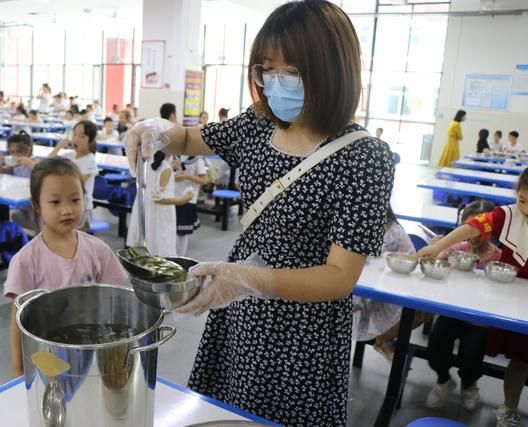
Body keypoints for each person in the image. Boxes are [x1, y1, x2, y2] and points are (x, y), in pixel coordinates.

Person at [123, 1, 395, 424]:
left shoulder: (365, 157)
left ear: (335, 70)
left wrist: (251, 279)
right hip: (242, 306)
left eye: (293, 71)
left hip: (303, 331)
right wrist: (158, 132)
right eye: (267, 69)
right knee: (230, 411)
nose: (276, 84)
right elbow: (194, 138)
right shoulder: (261, 123)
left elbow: (340, 278)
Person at [418, 169, 528, 427]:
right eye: (523, 200)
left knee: (522, 360)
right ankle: (506, 406)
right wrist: (438, 246)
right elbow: (474, 226)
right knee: (517, 355)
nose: (526, 209)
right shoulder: (507, 215)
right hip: (509, 298)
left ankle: (509, 406)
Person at [4, 157, 128, 377]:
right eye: (55, 202)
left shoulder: (97, 250)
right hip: (47, 352)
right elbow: (17, 319)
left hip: (92, 346)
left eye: (74, 199)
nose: (67, 210)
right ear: (36, 205)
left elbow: (114, 301)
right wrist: (17, 369)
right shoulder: (26, 260)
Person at [423, 200, 500, 411]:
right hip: (452, 311)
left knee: (471, 359)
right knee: (436, 348)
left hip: (480, 320)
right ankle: (443, 380)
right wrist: (441, 247)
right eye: (467, 232)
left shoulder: (499, 258)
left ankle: (469, 385)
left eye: (479, 232)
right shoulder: (456, 249)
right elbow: (437, 263)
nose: (473, 238)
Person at [352, 205, 421, 363]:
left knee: (420, 311)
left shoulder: (395, 232)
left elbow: (411, 262)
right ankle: (384, 341)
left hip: (385, 292)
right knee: (421, 312)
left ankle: (384, 339)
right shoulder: (353, 227)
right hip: (358, 294)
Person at [126, 150, 193, 256]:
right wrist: (181, 200)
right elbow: (157, 197)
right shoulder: (165, 167)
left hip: (145, 207)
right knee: (161, 246)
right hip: (160, 212)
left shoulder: (147, 162)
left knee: (148, 242)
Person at [48, 121, 99, 231]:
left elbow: (75, 185)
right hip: (65, 208)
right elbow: (47, 163)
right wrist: (59, 146)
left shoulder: (90, 160)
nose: (76, 139)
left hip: (82, 212)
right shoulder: (70, 155)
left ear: (90, 141)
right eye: (74, 135)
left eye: (82, 136)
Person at [174, 156, 209, 256]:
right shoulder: (175, 156)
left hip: (188, 199)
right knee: (172, 230)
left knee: (182, 233)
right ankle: (171, 256)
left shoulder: (198, 159)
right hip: (172, 197)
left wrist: (187, 176)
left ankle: (180, 257)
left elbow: (204, 180)